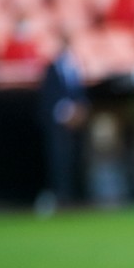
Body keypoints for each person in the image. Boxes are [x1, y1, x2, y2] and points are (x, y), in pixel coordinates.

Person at [36, 33, 89, 213]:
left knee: (74, 159)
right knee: (58, 160)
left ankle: (73, 196)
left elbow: (79, 94)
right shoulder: (52, 68)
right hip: (57, 123)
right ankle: (60, 196)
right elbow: (49, 97)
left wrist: (78, 110)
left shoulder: (74, 68)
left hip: (73, 123)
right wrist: (63, 111)